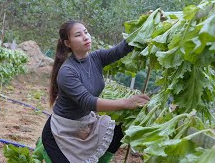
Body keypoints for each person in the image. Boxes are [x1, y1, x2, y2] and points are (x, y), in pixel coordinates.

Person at [41, 20, 150, 163]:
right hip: (61, 133)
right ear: (68, 43)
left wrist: (147, 24)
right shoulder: (67, 71)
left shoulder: (96, 58)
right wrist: (125, 103)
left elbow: (122, 48)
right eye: (78, 35)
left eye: (86, 32)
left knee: (116, 134)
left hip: (84, 124)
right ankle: (42, 149)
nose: (85, 37)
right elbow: (88, 102)